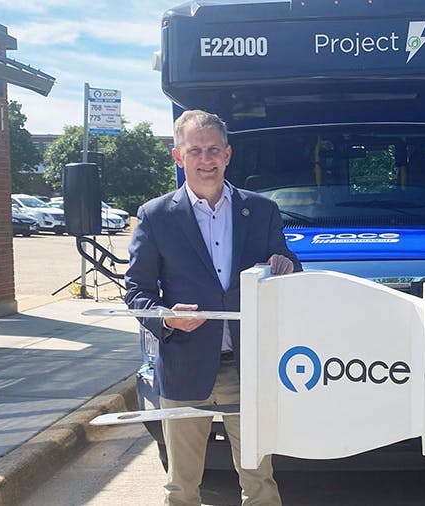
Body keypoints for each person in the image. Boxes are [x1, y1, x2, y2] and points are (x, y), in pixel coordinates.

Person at [125, 109, 300, 506]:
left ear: (228, 154)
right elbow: (136, 290)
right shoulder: (155, 216)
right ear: (178, 156)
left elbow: (288, 265)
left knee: (260, 482)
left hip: (248, 368)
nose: (206, 159)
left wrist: (286, 265)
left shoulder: (261, 210)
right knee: (181, 487)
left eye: (214, 150)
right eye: (195, 150)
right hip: (184, 368)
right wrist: (166, 319)